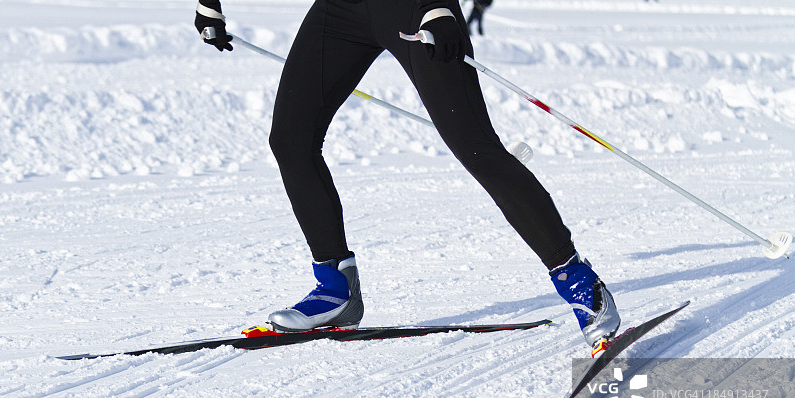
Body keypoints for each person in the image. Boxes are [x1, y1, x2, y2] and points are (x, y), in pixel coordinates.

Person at [194, 0, 621, 349]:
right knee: (291, 140)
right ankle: (334, 290)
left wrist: (437, 5)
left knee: (475, 147)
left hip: (412, 7)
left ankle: (580, 283)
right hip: (341, 9)